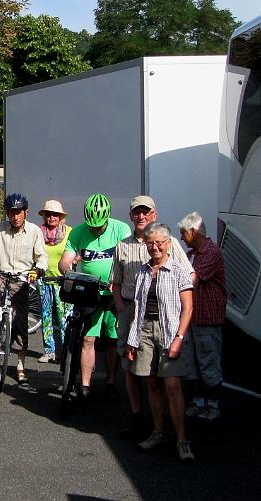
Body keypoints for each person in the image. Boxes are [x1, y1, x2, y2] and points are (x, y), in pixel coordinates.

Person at [111, 196, 193, 437]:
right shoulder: (123, 246)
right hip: (133, 310)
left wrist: (179, 305)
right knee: (132, 367)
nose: (141, 216)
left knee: (167, 378)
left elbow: (188, 274)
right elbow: (115, 281)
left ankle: (169, 423)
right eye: (137, 212)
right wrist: (122, 309)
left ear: (154, 215)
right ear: (130, 216)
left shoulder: (170, 242)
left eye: (145, 212)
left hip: (166, 314)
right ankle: (138, 416)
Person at [126, 222, 195, 462]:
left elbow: (188, 308)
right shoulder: (143, 272)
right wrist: (133, 339)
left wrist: (179, 338)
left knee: (173, 386)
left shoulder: (178, 270)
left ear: (168, 244)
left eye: (159, 243)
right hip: (145, 330)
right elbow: (138, 307)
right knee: (152, 383)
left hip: (169, 331)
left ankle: (182, 440)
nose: (154, 247)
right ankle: (158, 432)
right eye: (150, 243)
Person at [59, 193, 131, 399]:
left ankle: (110, 382)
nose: (95, 230)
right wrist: (69, 272)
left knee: (112, 339)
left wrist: (118, 279)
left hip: (114, 292)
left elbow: (127, 259)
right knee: (88, 339)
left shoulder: (121, 229)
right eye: (91, 226)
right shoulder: (78, 232)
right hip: (91, 292)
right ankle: (85, 385)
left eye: (99, 227)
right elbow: (64, 261)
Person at [0, 192, 47, 385]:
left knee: (19, 321)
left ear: (26, 212)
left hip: (22, 279)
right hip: (1, 275)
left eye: (18, 212)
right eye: (11, 212)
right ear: (7, 213)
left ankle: (20, 364)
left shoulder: (34, 231)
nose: (15, 216)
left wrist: (37, 270)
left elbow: (42, 256)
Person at [178, 211, 226, 422]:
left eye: (183, 233)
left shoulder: (211, 253)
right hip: (191, 318)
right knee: (190, 363)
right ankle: (198, 402)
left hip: (207, 318)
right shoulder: (192, 254)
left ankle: (212, 406)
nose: (181, 238)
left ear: (193, 231)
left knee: (208, 362)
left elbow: (191, 280)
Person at [36, 199, 72, 364]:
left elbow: (78, 250)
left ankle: (66, 351)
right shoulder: (38, 233)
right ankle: (49, 351)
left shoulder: (69, 232)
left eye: (55, 214)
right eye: (48, 214)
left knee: (64, 318)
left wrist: (75, 259)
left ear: (61, 216)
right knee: (46, 318)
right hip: (44, 281)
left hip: (62, 282)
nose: (51, 217)